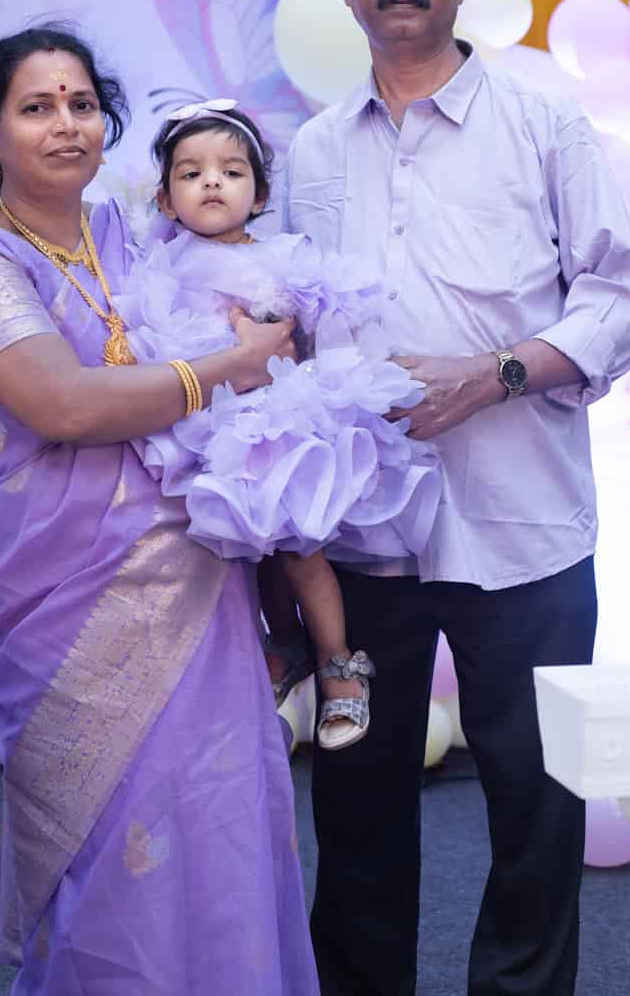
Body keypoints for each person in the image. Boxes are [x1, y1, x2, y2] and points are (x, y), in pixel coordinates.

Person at [284, 0, 630, 996]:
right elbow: (295, 335)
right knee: (352, 815)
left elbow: (623, 299)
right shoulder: (307, 154)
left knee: (534, 820)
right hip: (361, 552)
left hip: (525, 534)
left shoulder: (543, 124)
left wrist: (490, 374)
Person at [0, 24, 319, 996]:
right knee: (105, 841)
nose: (66, 124)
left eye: (83, 104)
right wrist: (230, 363)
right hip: (64, 603)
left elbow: (262, 333)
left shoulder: (138, 235)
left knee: (218, 817)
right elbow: (62, 404)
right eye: (37, 106)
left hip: (199, 578)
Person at [112, 99, 441, 750]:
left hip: (274, 418)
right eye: (192, 172)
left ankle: (338, 664)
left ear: (260, 194)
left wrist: (293, 322)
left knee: (296, 544)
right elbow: (152, 337)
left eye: (231, 172)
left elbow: (311, 318)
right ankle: (282, 644)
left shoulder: (282, 255)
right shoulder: (161, 263)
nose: (212, 182)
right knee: (250, 547)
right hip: (207, 419)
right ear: (166, 197)